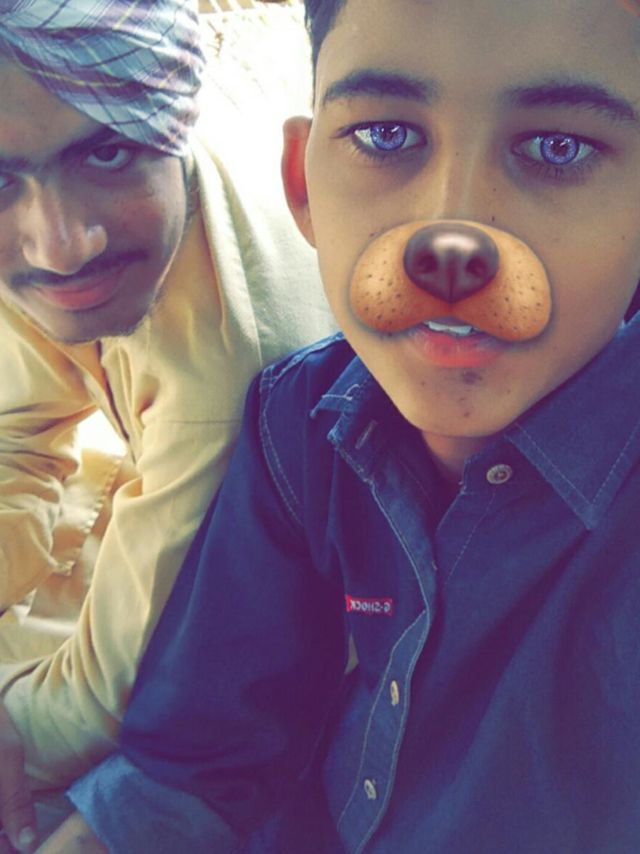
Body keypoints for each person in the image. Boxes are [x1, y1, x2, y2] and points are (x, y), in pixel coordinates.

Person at [44, 0, 640, 850]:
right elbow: (195, 767)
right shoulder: (301, 421)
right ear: (303, 187)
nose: (451, 238)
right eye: (386, 136)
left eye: (558, 147)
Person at [0, 0, 335, 849]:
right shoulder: (82, 219)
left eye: (107, 153)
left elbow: (115, 696)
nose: (61, 246)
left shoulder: (242, 377)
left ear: (171, 126)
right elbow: (20, 438)